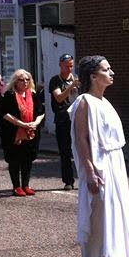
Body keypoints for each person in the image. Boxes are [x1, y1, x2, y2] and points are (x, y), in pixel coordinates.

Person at [69, 56, 129, 257]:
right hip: (100, 164)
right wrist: (89, 171)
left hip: (115, 163)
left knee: (115, 213)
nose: (112, 73)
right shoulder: (84, 102)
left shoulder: (105, 102)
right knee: (99, 215)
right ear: (93, 76)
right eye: (107, 69)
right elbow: (81, 138)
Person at [0, 70, 45, 196]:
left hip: (31, 132)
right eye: (22, 80)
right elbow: (5, 114)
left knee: (27, 159)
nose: (25, 82)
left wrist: (35, 122)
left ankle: (26, 185)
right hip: (13, 133)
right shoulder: (9, 95)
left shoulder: (33, 95)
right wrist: (22, 124)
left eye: (27, 79)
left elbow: (41, 112)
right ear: (15, 81)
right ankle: (16, 186)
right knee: (15, 159)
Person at [49, 53, 79, 190]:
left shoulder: (78, 80)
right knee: (65, 152)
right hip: (62, 120)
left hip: (77, 119)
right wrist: (71, 86)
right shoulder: (55, 80)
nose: (69, 69)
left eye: (71, 66)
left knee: (81, 150)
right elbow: (59, 98)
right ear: (60, 65)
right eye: (66, 66)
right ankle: (68, 181)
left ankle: (85, 179)